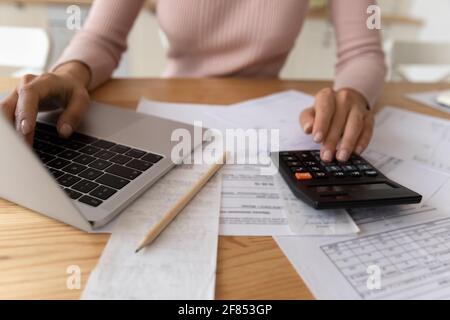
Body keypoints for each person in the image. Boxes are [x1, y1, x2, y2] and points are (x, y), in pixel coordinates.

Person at [0, 0, 386, 162]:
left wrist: (353, 95)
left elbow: (363, 52)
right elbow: (101, 37)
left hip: (273, 124)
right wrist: (70, 74)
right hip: (171, 117)